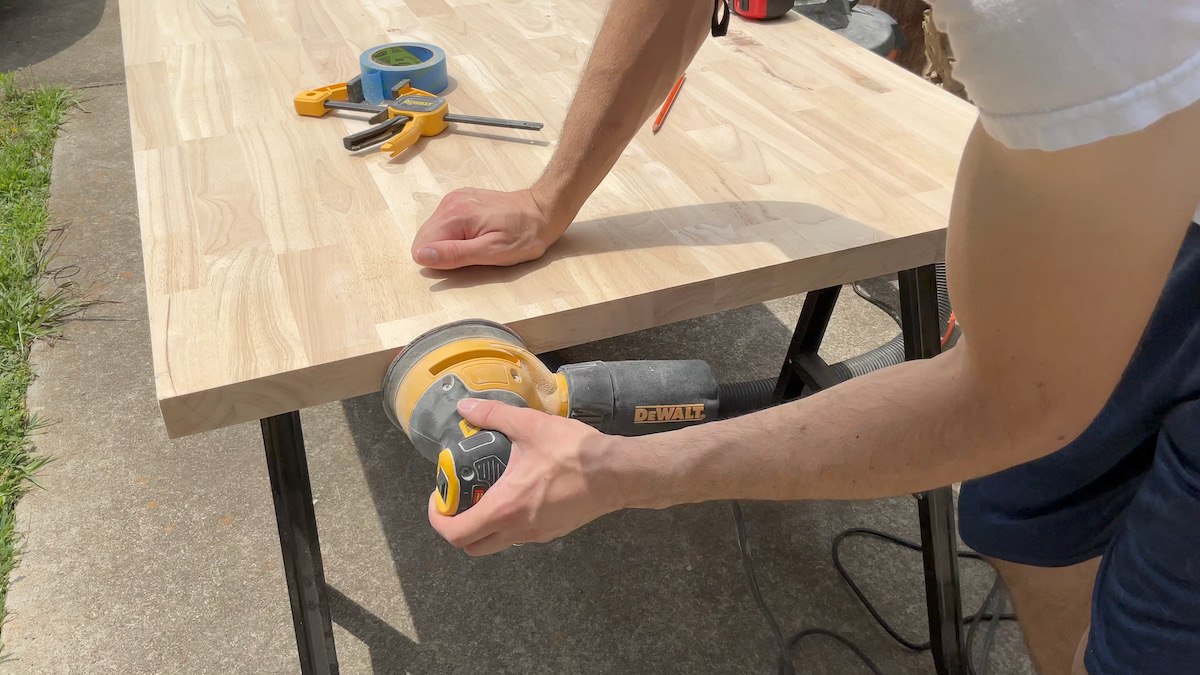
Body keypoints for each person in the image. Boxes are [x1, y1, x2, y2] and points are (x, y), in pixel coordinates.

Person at [408, 2, 1200, 673]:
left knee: (1151, 642)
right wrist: (551, 200)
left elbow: (1004, 399)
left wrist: (621, 469)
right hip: (1122, 152)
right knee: (1031, 525)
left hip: (1135, 134)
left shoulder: (1072, 25)